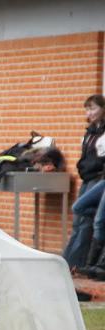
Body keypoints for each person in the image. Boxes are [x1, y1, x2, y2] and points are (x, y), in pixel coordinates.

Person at [64, 94, 105, 270]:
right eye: (87, 109)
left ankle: (78, 262)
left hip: (98, 178)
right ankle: (71, 259)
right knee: (78, 218)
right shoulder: (89, 132)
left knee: (86, 221)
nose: (90, 113)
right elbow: (85, 156)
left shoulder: (102, 133)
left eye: (93, 108)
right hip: (87, 177)